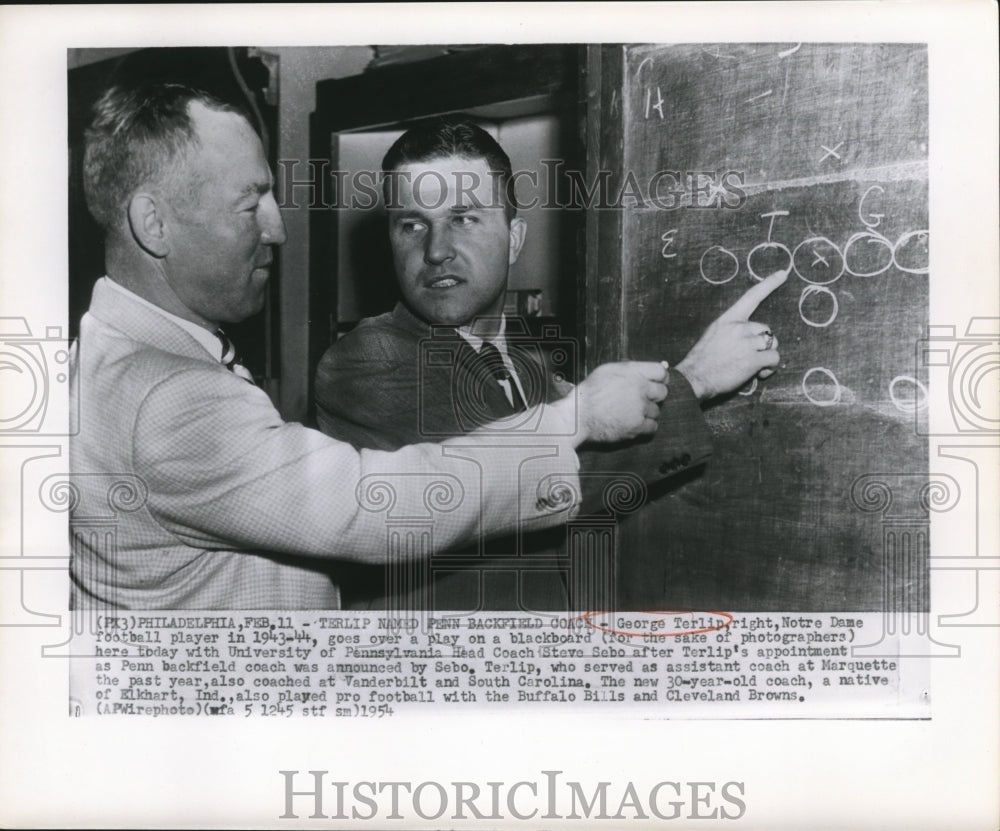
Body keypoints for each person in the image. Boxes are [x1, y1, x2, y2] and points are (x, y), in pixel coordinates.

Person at [69, 83, 677, 611]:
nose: (277, 229)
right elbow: (380, 506)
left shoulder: (110, 360)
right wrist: (587, 414)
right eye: (250, 203)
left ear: (514, 239)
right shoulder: (167, 397)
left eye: (465, 219)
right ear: (154, 223)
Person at [315, 117, 785, 611]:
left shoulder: (530, 369)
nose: (435, 251)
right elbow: (513, 480)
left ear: (515, 239)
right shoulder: (366, 361)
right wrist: (698, 379)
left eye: (464, 218)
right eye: (412, 225)